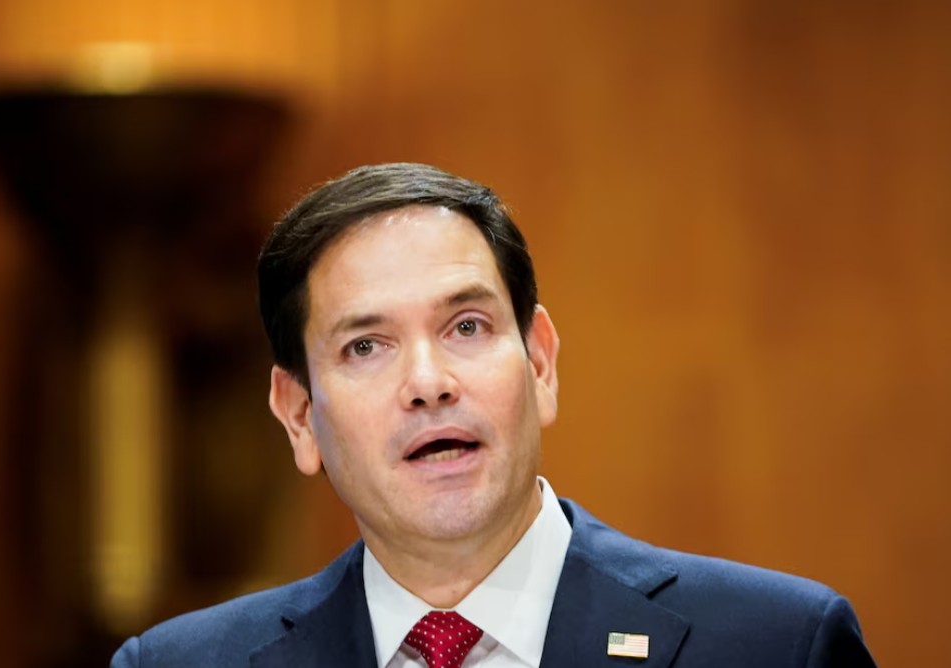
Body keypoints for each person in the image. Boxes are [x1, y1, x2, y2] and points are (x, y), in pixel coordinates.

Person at [110, 163, 875, 667]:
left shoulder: (778, 645)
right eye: (367, 346)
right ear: (300, 416)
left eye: (465, 328)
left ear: (540, 362)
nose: (428, 382)